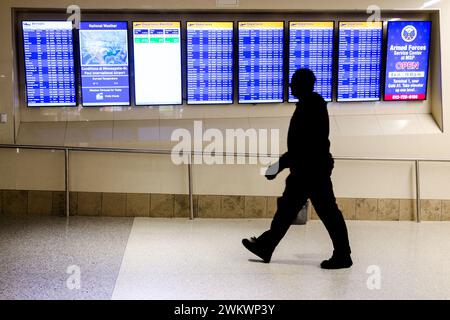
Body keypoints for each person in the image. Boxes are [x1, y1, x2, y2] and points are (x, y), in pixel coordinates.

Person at [242, 68, 352, 269]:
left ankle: (343, 255)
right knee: (287, 210)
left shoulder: (311, 107)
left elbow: (303, 146)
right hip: (307, 170)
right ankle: (266, 246)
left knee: (327, 213)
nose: (290, 85)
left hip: (311, 172)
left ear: (303, 84)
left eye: (293, 82)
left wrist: (278, 166)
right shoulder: (310, 105)